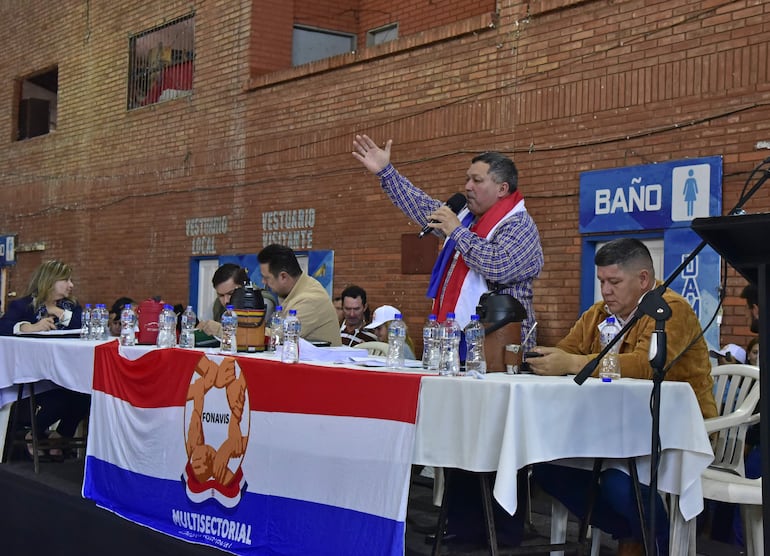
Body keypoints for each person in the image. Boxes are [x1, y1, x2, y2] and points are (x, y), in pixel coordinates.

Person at [527, 238, 717, 556]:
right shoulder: (599, 312)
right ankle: (632, 532)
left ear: (643, 280)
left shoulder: (670, 309)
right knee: (548, 469)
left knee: (617, 484)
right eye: (602, 281)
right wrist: (544, 358)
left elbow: (643, 365)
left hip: (673, 432)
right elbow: (567, 349)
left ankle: (658, 541)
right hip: (611, 430)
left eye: (614, 282)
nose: (606, 290)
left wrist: (573, 363)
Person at [352, 134, 544, 351]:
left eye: (477, 181)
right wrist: (386, 173)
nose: (468, 186)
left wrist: (456, 231)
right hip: (453, 343)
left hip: (501, 350)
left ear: (502, 189)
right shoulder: (466, 218)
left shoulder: (519, 224)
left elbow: (499, 265)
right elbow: (423, 207)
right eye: (467, 179)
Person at [0, 260, 91, 459]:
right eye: (65, 280)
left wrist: (58, 312)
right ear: (49, 281)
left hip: (68, 371)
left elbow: (87, 326)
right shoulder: (23, 306)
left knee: (85, 393)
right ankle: (34, 434)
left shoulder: (72, 307)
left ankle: (59, 437)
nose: (71, 285)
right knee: (58, 398)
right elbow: (3, 326)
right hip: (34, 374)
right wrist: (29, 327)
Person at [257, 244, 341, 346]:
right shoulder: (294, 291)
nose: (263, 282)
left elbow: (279, 337)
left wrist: (244, 329)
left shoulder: (310, 299)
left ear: (283, 276)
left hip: (318, 361)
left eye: (267, 278)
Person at [197, 263, 276, 339]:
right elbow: (202, 324)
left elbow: (252, 336)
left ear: (244, 286)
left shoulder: (262, 302)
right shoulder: (217, 304)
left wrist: (220, 330)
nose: (226, 301)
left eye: (230, 293)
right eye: (221, 295)